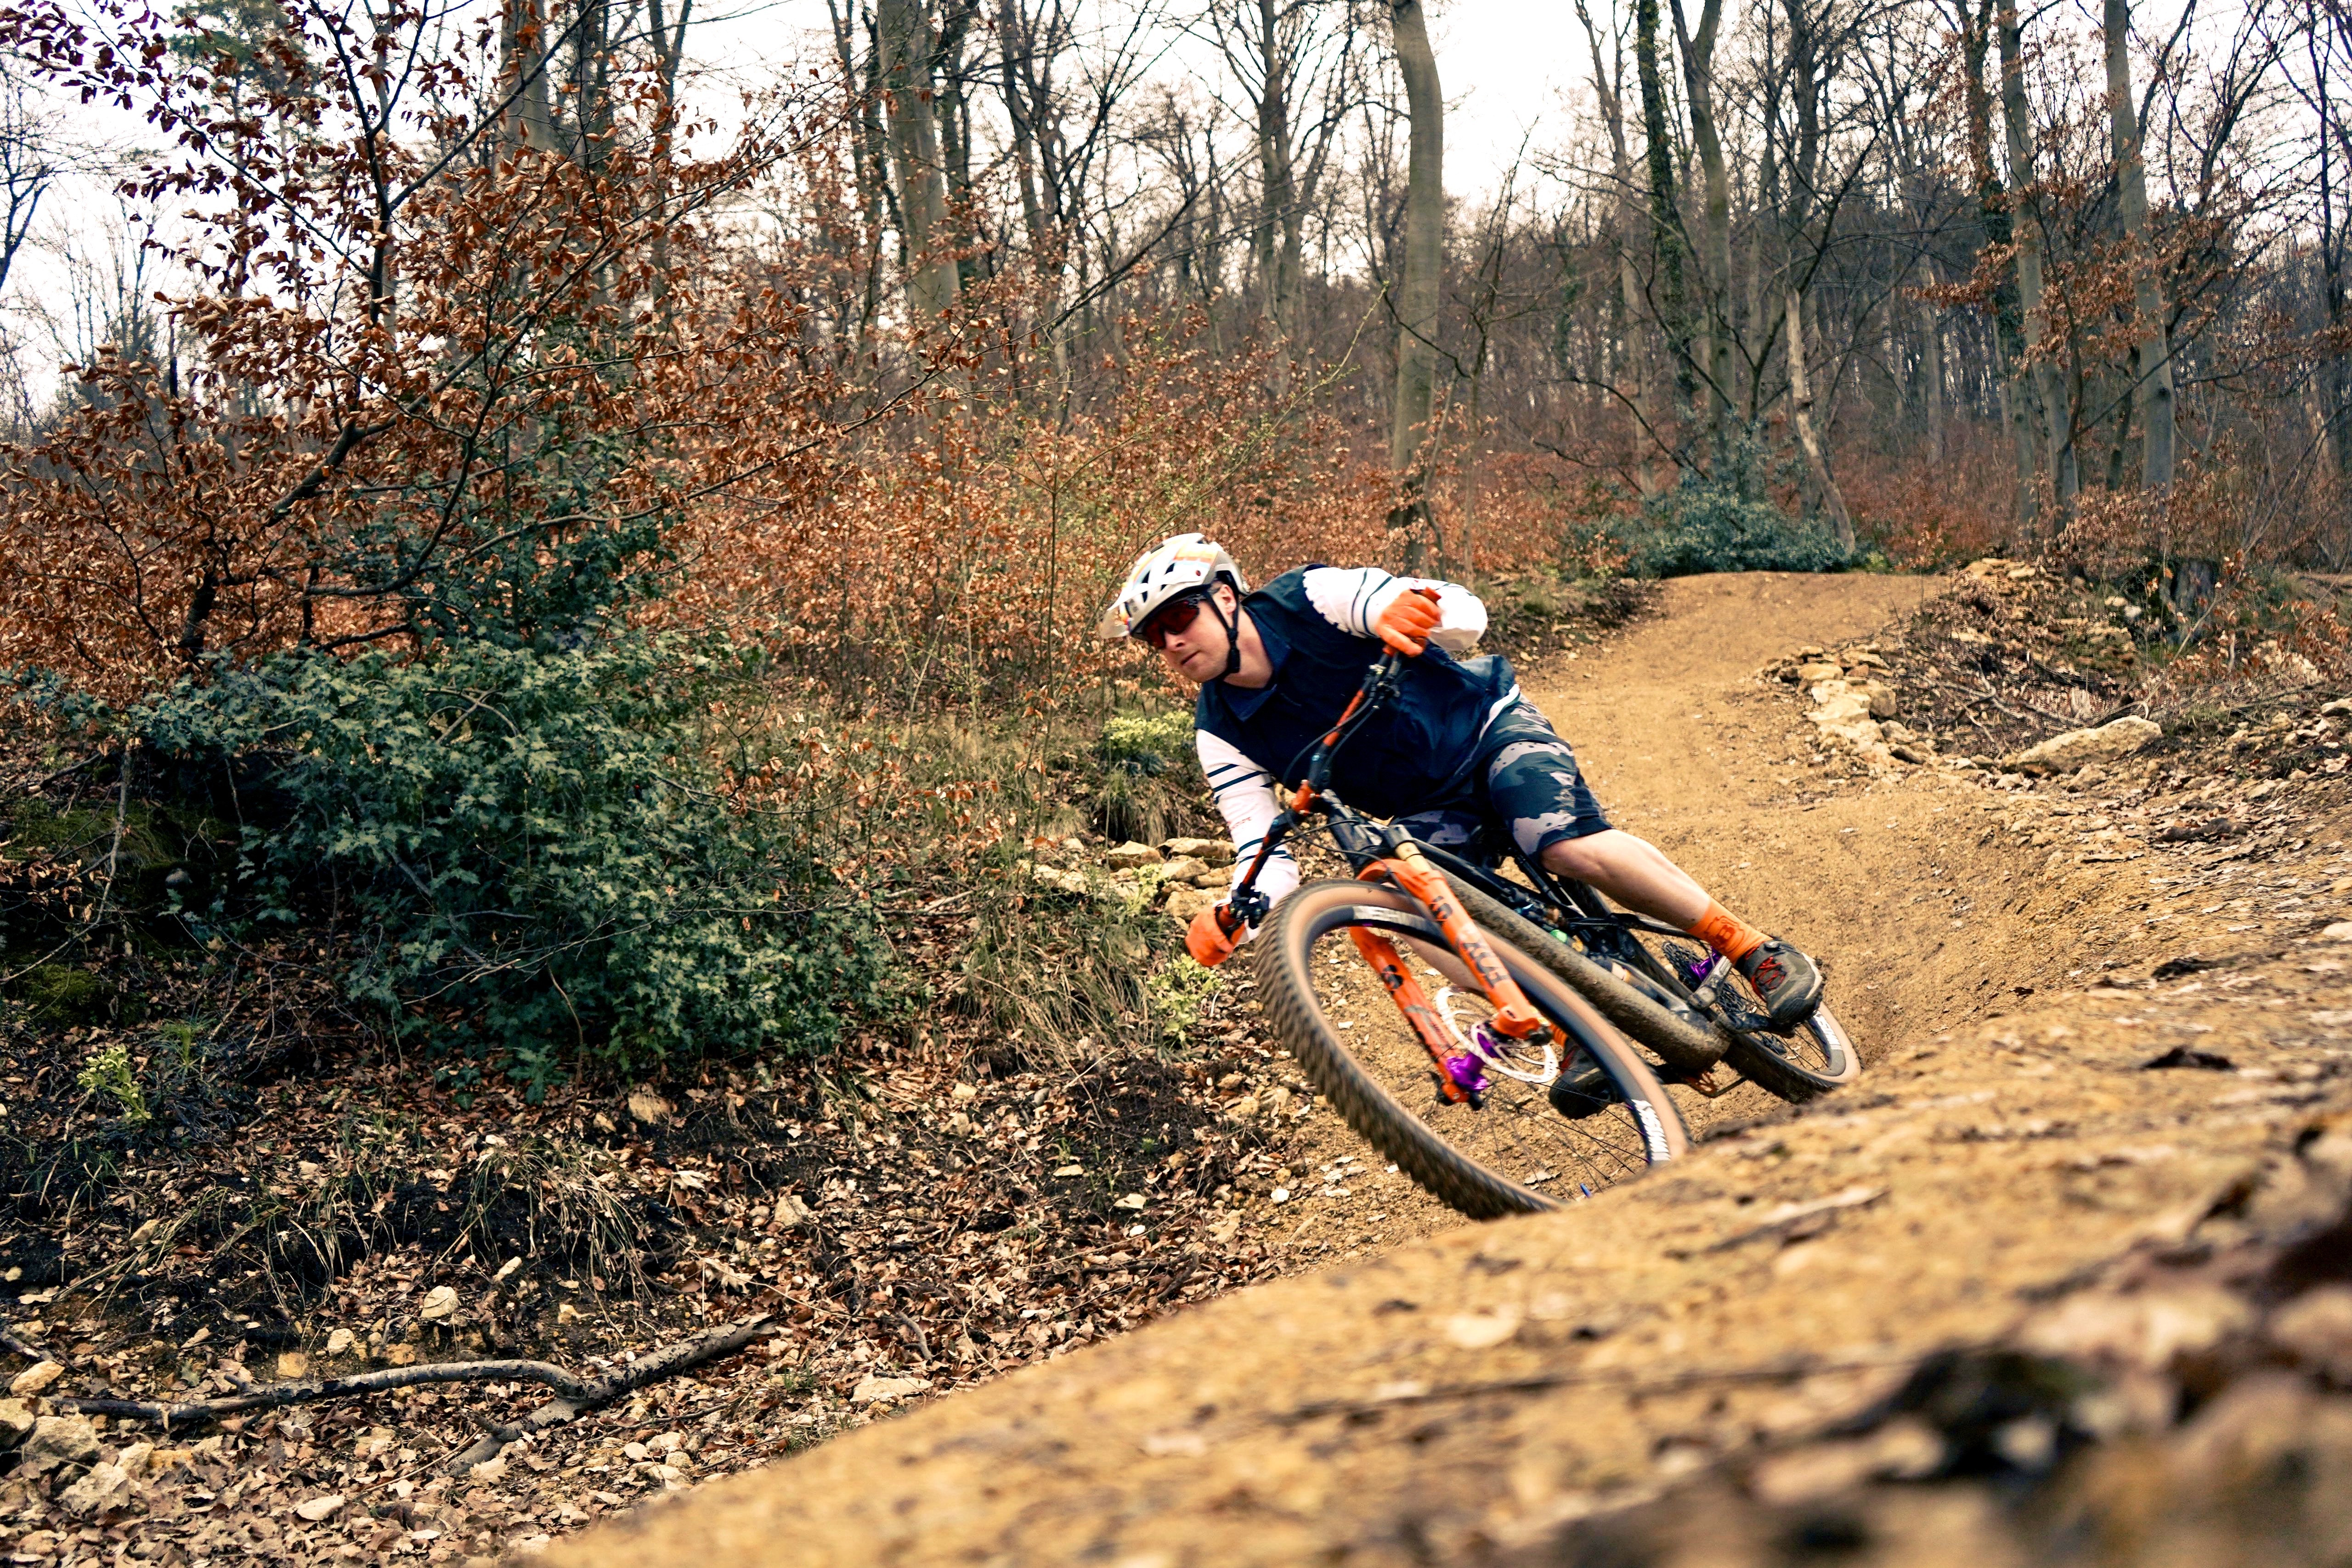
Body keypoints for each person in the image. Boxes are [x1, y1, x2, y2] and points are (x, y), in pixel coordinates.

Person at [1098, 533, 1823, 1029]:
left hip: (1486, 730)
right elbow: (1262, 847)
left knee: (1561, 844)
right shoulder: (1218, 732)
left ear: (1227, 598)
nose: (1172, 641)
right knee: (1416, 916)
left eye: (1181, 616)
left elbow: (1462, 610)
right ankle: (1572, 1033)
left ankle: (1750, 948)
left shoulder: (1311, 598)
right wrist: (1239, 913)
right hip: (1424, 810)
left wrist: (1406, 611)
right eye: (1155, 636)